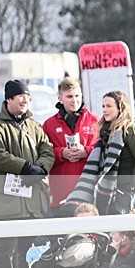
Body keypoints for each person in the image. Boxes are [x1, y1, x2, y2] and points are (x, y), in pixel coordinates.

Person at [0, 79, 55, 268]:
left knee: (30, 251)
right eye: (20, 96)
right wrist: (26, 168)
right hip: (6, 205)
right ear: (9, 99)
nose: (25, 100)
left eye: (27, 96)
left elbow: (47, 150)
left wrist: (40, 169)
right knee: (3, 251)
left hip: (33, 205)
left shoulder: (34, 126)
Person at [65, 90, 135, 215]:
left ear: (120, 108)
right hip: (105, 191)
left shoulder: (130, 131)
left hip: (126, 191)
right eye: (103, 106)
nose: (105, 110)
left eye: (109, 106)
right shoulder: (105, 132)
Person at [42, 77, 99, 213]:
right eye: (69, 96)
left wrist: (86, 151)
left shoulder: (95, 121)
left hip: (88, 193)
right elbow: (43, 154)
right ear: (60, 99)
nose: (74, 100)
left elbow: (103, 151)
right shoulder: (49, 125)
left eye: (77, 96)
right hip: (60, 194)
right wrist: (61, 153)